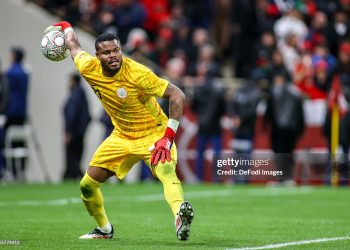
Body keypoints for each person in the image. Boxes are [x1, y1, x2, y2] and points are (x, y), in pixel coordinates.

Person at [43, 21, 194, 240]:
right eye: (107, 53)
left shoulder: (137, 73)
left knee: (166, 172)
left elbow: (177, 94)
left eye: (116, 50)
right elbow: (73, 45)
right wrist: (65, 25)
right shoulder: (88, 67)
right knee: (87, 186)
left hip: (154, 133)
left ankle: (180, 215)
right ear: (97, 56)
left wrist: (169, 137)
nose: (113, 56)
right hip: (122, 136)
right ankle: (104, 229)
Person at [4, 47, 30, 179]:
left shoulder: (13, 72)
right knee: (20, 142)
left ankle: (10, 171)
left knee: (8, 141)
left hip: (12, 112)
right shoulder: (25, 72)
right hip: (22, 112)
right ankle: (21, 170)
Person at [63, 73, 91, 180]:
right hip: (80, 131)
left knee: (72, 155)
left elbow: (72, 114)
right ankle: (73, 174)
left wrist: (68, 131)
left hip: (75, 132)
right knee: (77, 154)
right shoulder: (81, 93)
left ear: (74, 81)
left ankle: (73, 174)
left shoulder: (75, 94)